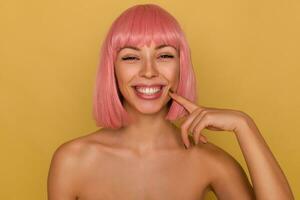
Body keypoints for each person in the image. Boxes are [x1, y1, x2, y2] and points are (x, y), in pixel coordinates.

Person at [47, 4, 294, 200]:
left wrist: (244, 125)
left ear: (181, 66)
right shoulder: (72, 160)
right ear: (111, 70)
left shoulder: (210, 161)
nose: (148, 71)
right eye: (131, 57)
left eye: (164, 55)